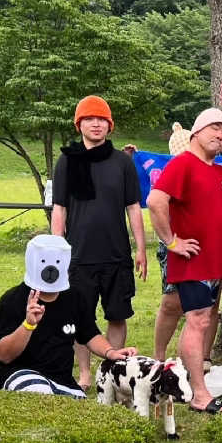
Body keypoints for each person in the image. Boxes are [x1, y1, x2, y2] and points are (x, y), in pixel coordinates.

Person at [147, 107, 222, 414]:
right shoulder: (183, 164)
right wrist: (172, 241)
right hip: (193, 261)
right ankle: (200, 394)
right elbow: (155, 201)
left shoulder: (217, 172)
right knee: (197, 321)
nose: (220, 135)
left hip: (214, 263)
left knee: (201, 320)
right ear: (196, 131)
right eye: (215, 128)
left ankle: (182, 383)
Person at [51, 95, 146, 391]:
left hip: (116, 255)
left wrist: (140, 248)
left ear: (109, 125)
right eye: (90, 119)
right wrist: (58, 251)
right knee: (81, 319)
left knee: (117, 315)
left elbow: (133, 208)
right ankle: (84, 374)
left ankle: (112, 371)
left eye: (102, 119)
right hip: (77, 256)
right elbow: (59, 208)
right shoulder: (68, 160)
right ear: (79, 124)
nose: (96, 124)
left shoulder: (122, 162)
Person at [0, 235, 137, 397]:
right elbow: (4, 356)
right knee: (40, 391)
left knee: (78, 406)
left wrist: (110, 352)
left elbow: (89, 334)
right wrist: (28, 325)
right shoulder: (12, 301)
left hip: (61, 380)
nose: (51, 269)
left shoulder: (74, 298)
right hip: (20, 374)